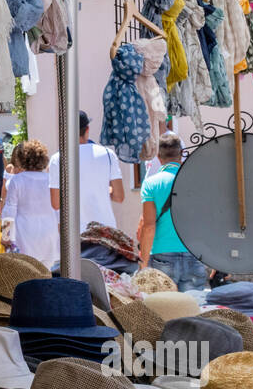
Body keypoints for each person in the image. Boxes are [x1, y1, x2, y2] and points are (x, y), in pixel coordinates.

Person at [138, 132, 209, 291]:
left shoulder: (151, 184)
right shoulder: (197, 181)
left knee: (165, 309)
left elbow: (149, 226)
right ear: (181, 154)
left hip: (162, 255)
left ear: (158, 155)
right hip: (193, 252)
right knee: (192, 309)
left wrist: (143, 261)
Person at [49, 110, 125, 232]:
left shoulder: (57, 159)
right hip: (106, 230)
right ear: (87, 129)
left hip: (74, 235)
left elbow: (56, 203)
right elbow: (119, 196)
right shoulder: (108, 154)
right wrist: (103, 191)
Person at [1, 140, 59, 269]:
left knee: (25, 273)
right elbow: (58, 210)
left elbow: (9, 210)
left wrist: (5, 235)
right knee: (46, 272)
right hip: (49, 232)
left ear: (22, 159)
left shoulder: (16, 181)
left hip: (24, 233)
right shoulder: (51, 180)